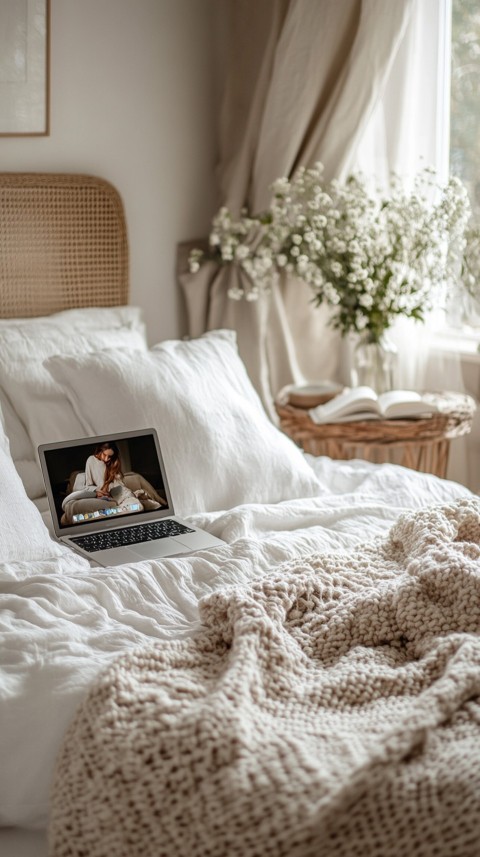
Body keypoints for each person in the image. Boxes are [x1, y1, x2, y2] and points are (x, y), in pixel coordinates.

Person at [85, 442, 160, 512]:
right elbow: (88, 485)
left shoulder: (113, 463)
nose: (106, 459)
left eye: (110, 456)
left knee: (139, 507)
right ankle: (142, 502)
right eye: (104, 455)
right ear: (100, 451)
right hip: (107, 496)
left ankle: (142, 502)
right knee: (137, 508)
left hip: (119, 492)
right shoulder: (91, 460)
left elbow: (119, 484)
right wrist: (96, 491)